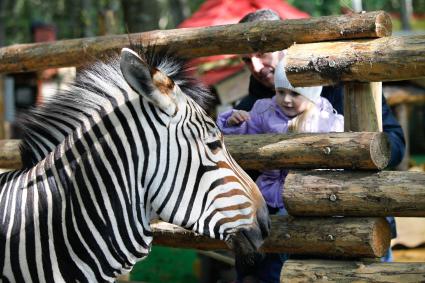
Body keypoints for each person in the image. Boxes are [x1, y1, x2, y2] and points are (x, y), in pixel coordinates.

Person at [226, 8, 405, 282]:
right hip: (282, 239)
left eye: (261, 54)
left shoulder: (346, 82)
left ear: (287, 45)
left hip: (356, 226)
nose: (256, 67)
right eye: (247, 61)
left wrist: (361, 151)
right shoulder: (251, 109)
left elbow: (394, 142)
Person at [217, 59, 344, 283]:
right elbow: (241, 136)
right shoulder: (265, 111)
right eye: (280, 91)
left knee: (285, 243)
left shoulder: (326, 121)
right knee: (254, 237)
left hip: (304, 197)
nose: (286, 99)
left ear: (312, 94)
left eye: (294, 94)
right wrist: (235, 122)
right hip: (268, 193)